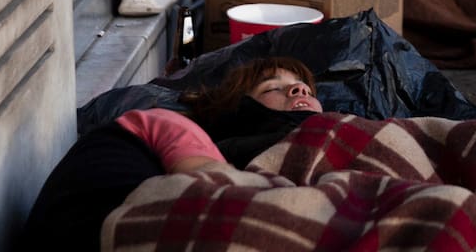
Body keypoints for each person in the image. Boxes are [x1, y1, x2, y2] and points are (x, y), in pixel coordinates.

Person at [19, 57, 323, 252]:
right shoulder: (168, 124)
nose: (298, 90)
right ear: (236, 107)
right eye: (273, 87)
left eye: (306, 89)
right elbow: (214, 187)